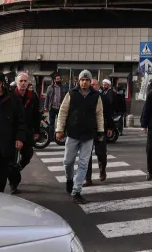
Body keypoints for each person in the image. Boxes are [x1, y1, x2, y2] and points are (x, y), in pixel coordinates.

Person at [55, 70, 105, 204]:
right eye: (82, 80)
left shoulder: (96, 96)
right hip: (73, 134)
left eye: (87, 80)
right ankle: (69, 179)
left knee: (83, 164)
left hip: (88, 135)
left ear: (90, 82)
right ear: (78, 81)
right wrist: (59, 129)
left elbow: (99, 114)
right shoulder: (71, 94)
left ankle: (76, 191)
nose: (84, 82)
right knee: (68, 161)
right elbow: (63, 112)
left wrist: (100, 131)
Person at [8, 72, 41, 195]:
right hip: (13, 132)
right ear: (17, 83)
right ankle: (13, 184)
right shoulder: (10, 96)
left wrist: (37, 131)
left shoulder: (33, 96)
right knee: (12, 159)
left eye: (25, 81)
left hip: (27, 131)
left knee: (28, 154)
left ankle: (18, 168)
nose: (23, 83)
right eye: (21, 81)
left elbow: (36, 115)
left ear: (28, 83)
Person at [86, 78, 116, 185]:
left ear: (98, 87)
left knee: (101, 153)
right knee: (86, 155)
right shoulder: (85, 97)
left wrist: (110, 128)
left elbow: (109, 114)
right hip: (87, 130)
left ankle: (102, 169)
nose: (93, 86)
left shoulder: (103, 98)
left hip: (100, 129)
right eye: (91, 85)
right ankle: (87, 178)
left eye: (95, 85)